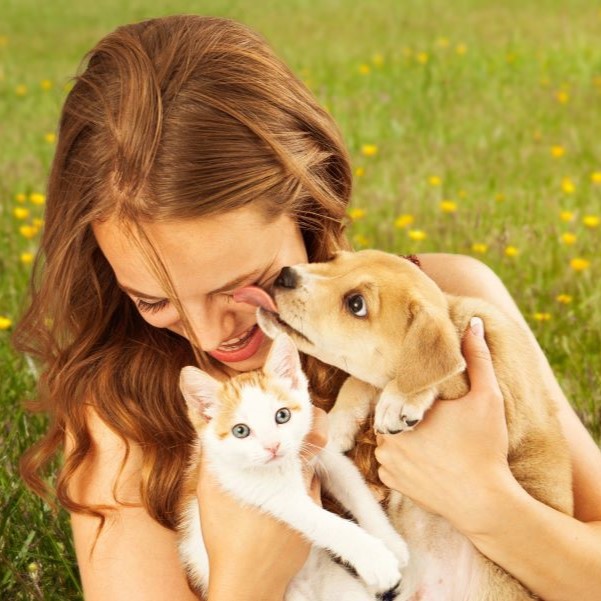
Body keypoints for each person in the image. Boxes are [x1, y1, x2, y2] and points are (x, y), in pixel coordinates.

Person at [13, 14, 601, 601]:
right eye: (153, 299)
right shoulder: (124, 417)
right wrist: (247, 577)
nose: (210, 332)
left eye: (243, 283)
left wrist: (487, 504)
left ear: (310, 206)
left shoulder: (442, 307)